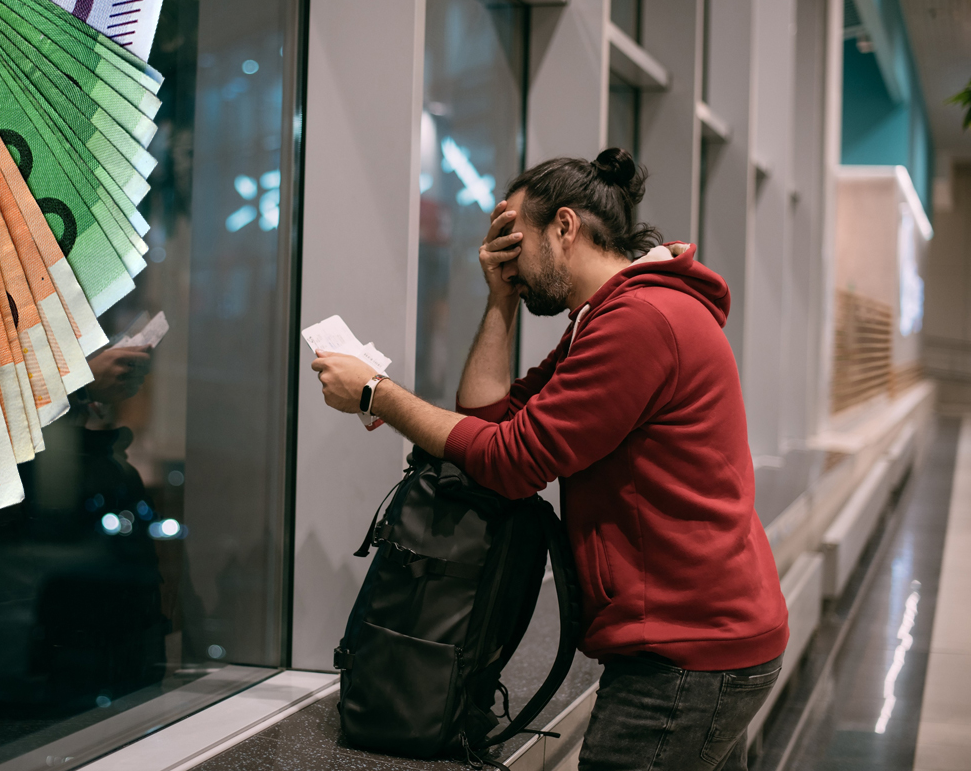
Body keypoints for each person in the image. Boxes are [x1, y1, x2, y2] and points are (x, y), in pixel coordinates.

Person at [311, 148, 789, 771]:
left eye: (513, 235)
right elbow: (488, 421)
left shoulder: (640, 321)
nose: (503, 252)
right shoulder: (606, 317)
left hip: (685, 652)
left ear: (564, 227)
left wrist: (376, 393)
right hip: (702, 638)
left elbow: (512, 461)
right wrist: (501, 299)